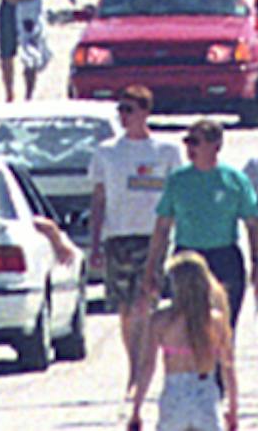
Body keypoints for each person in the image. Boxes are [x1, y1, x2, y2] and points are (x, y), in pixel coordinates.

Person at [92, 85, 181, 376]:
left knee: (147, 304)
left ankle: (144, 369)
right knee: (127, 311)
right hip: (118, 236)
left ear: (145, 112)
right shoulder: (107, 152)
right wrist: (95, 244)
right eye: (121, 110)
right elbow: (99, 198)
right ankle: (135, 367)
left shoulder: (165, 151)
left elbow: (176, 194)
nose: (124, 116)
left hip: (152, 236)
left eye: (129, 110)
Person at [146, 117, 258, 329]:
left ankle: (223, 363)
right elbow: (163, 226)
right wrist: (152, 267)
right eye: (188, 142)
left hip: (224, 257)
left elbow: (253, 225)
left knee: (223, 327)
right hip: (187, 258)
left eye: (196, 142)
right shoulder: (177, 180)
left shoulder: (234, 180)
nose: (190, 148)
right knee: (188, 327)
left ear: (216, 146)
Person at [128, 251, 238, 431]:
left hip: (174, 398)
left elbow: (148, 366)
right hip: (205, 397)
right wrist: (233, 409)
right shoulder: (215, 321)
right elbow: (228, 367)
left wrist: (136, 409)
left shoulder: (161, 321)